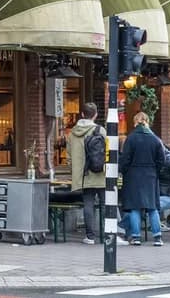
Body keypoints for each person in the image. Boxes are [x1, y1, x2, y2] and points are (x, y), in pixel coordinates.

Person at [120, 112, 165, 246]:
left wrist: (125, 171)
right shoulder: (156, 139)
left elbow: (125, 159)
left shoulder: (131, 138)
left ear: (135, 122)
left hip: (134, 176)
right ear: (147, 121)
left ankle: (136, 237)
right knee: (152, 207)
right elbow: (162, 160)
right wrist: (155, 171)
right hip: (150, 176)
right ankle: (157, 237)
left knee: (135, 207)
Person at [66, 102, 106, 244]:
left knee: (88, 204)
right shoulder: (100, 130)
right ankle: (108, 234)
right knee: (105, 204)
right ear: (95, 115)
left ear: (82, 114)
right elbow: (106, 153)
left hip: (83, 175)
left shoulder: (72, 133)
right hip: (100, 173)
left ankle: (90, 236)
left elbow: (69, 156)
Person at [156, 141, 170, 233]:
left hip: (168, 191)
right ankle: (166, 221)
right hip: (163, 190)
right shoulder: (160, 160)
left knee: (156, 204)